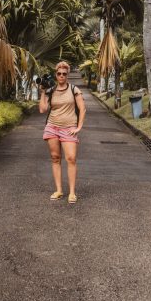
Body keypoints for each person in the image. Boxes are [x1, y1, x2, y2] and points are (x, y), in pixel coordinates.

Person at [39, 60, 86, 204]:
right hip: (52, 127)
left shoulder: (74, 90)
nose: (61, 76)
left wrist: (78, 127)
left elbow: (82, 109)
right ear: (56, 74)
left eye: (64, 74)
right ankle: (59, 190)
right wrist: (42, 92)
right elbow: (42, 110)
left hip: (68, 128)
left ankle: (72, 192)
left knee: (71, 158)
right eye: (59, 73)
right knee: (55, 158)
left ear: (67, 75)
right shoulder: (51, 90)